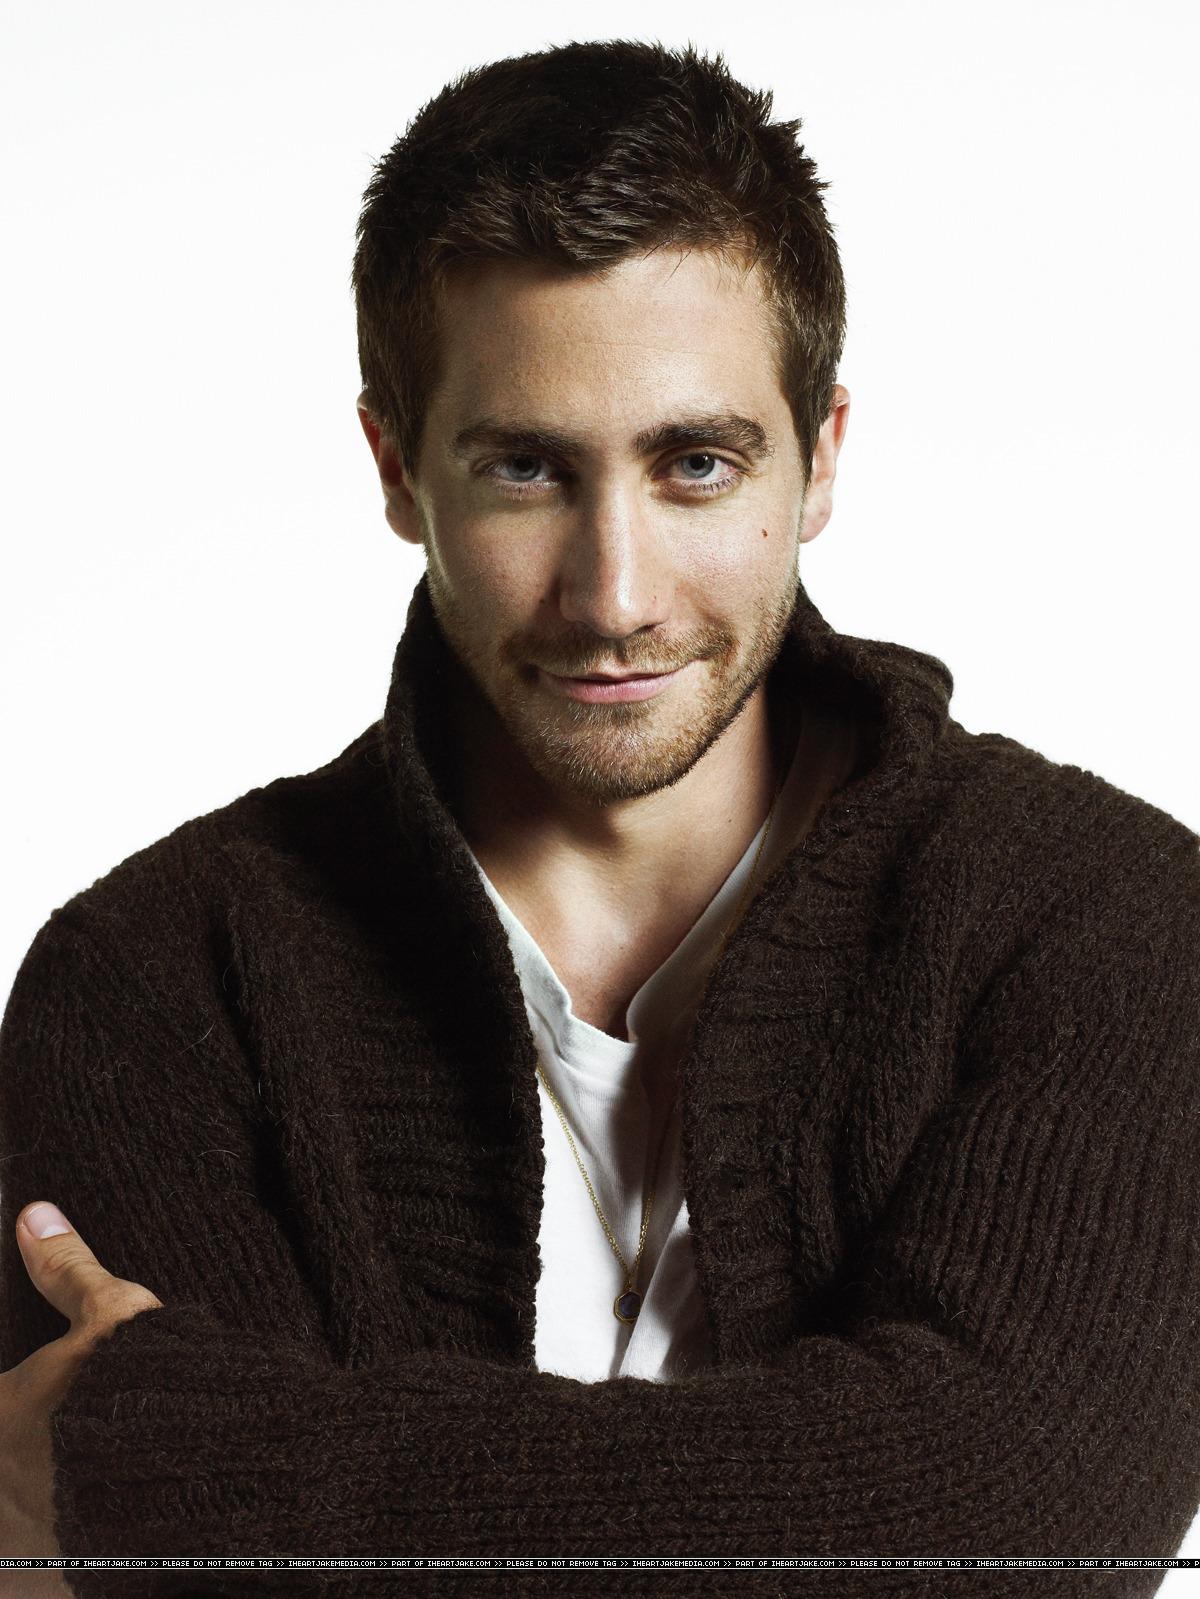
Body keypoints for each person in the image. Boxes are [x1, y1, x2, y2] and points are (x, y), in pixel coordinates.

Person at [1, 37, 1198, 1592]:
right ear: (396, 469)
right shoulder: (158, 982)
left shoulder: (1116, 923)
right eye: (526, 471)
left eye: (696, 465)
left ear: (821, 460)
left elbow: (1012, 1515)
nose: (614, 595)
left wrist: (184, 1465)